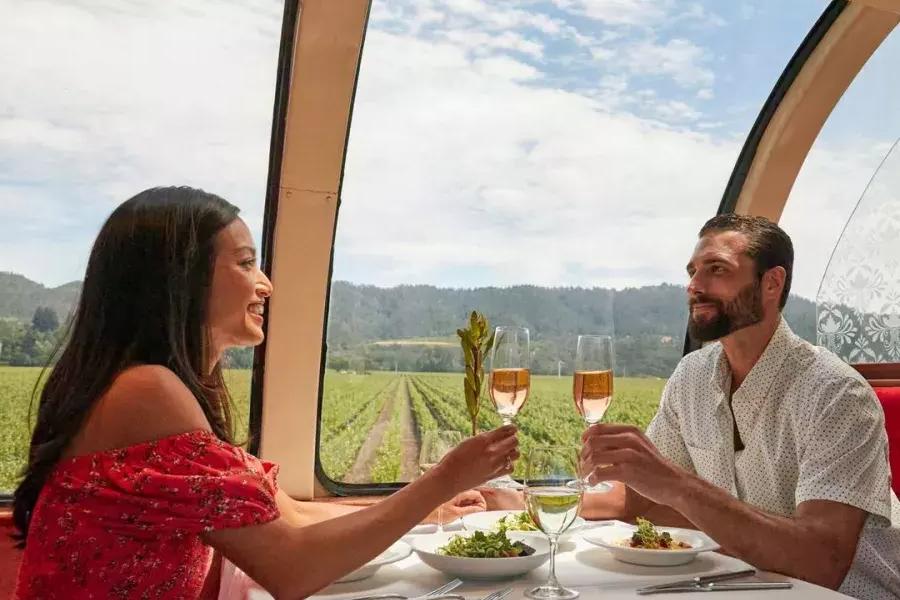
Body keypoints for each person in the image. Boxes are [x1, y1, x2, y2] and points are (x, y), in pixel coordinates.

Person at [11, 187, 518, 600]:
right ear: (180, 279)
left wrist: (432, 507)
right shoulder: (147, 391)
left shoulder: (143, 387)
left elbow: (290, 515)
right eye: (246, 263)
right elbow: (290, 567)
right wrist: (443, 479)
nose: (266, 284)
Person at [580, 214, 899, 598]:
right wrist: (531, 502)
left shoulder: (836, 394)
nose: (694, 285)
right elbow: (648, 501)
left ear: (772, 282)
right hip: (740, 587)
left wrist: (676, 483)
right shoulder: (692, 376)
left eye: (716, 269)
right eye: (693, 271)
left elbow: (822, 562)